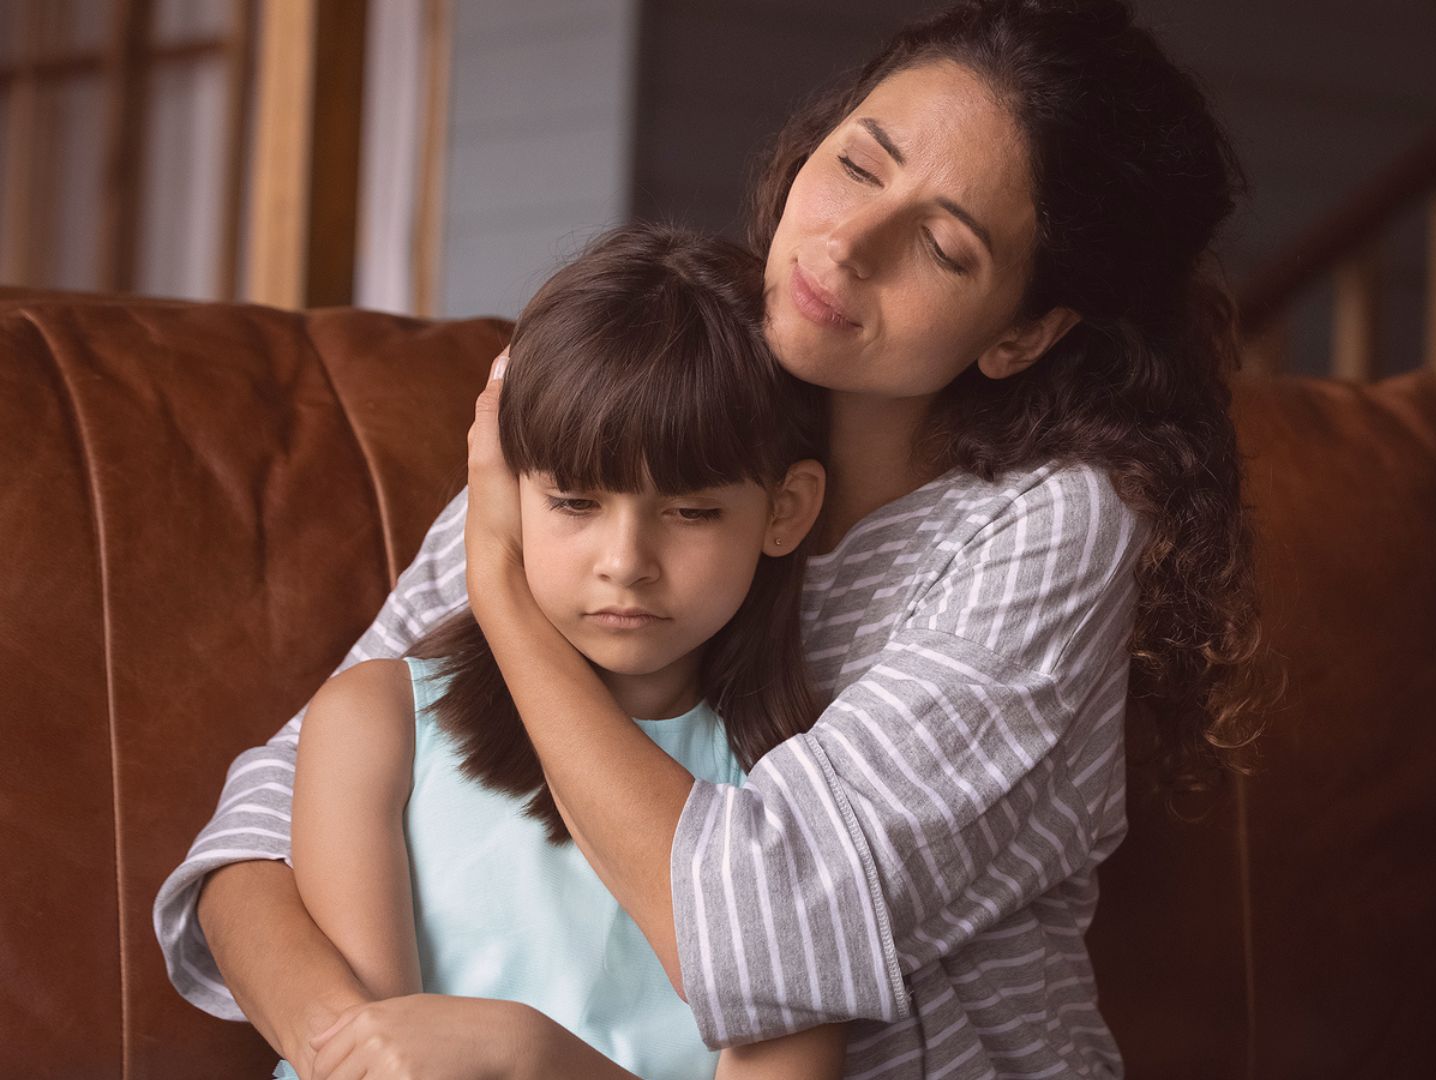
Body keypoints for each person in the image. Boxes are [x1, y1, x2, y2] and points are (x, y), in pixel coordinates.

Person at [154, 1, 1270, 1076]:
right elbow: (267, 819)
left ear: (1023, 332)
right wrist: (354, 1050)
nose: (845, 246)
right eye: (858, 164)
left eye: (941, 245)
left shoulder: (1048, 531)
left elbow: (765, 938)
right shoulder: (641, 418)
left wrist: (501, 587)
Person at [277, 223, 844, 1078]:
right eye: (575, 502)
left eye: (691, 512)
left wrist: (535, 1057)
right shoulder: (377, 722)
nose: (625, 563)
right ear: (504, 492)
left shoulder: (809, 798)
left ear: (785, 510)